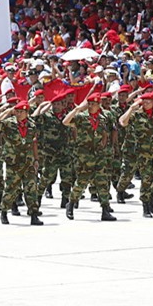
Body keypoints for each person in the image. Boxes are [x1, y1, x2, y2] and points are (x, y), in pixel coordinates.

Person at [62, 93, 117, 221]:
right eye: (90, 104)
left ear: (99, 105)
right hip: (85, 156)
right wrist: (77, 109)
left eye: (94, 104)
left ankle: (105, 209)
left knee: (102, 182)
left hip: (99, 155)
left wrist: (104, 145)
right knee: (82, 181)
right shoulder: (81, 117)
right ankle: (71, 203)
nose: (91, 106)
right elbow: (65, 122)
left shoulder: (103, 118)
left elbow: (105, 133)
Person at [0, 100, 43, 226]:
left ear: (26, 112)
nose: (18, 114)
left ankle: (34, 215)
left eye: (21, 112)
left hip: (28, 162)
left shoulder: (32, 125)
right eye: (17, 111)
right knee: (11, 188)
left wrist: (36, 159)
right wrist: (6, 112)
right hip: (13, 162)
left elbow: (34, 142)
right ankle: (4, 212)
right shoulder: (9, 123)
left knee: (31, 188)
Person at [116, 92, 153, 218]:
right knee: (146, 178)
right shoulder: (136, 114)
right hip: (141, 153)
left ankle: (151, 196)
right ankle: (146, 204)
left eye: (149, 101)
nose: (147, 103)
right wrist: (132, 108)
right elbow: (122, 122)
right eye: (144, 101)